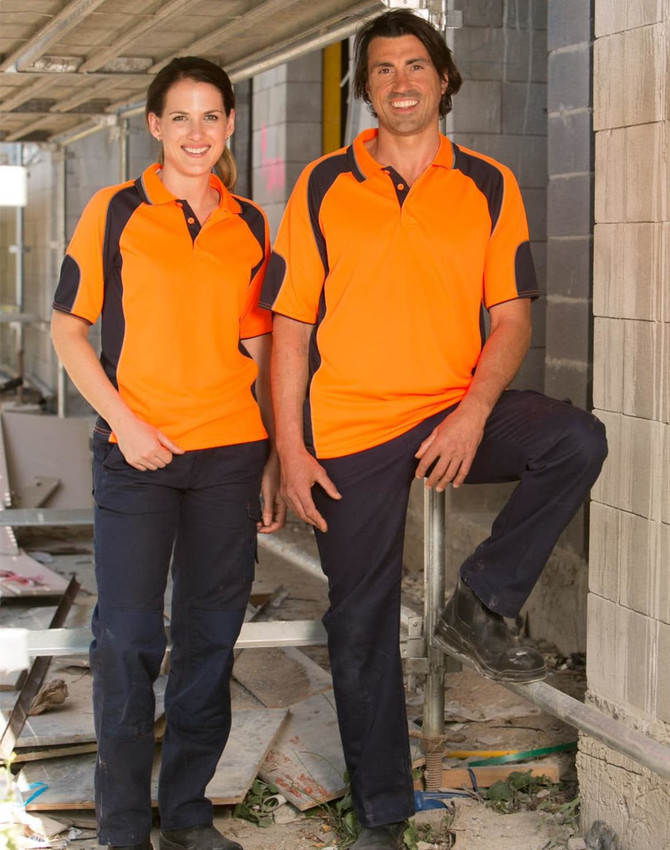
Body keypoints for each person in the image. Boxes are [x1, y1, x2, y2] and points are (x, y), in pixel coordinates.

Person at [261, 10, 607, 850]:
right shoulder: (320, 184)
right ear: (366, 89)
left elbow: (511, 319)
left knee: (575, 439)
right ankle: (381, 810)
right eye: (382, 70)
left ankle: (481, 602)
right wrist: (290, 448)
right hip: (350, 427)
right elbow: (292, 328)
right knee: (362, 616)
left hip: (457, 410)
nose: (402, 81)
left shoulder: (487, 182)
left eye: (417, 65)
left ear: (445, 80)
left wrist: (473, 411)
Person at [51, 57, 285, 850]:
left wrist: (274, 455)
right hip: (136, 454)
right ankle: (122, 830)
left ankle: (186, 814)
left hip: (227, 456)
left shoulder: (250, 222)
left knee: (210, 638)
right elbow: (68, 330)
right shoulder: (113, 211)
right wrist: (126, 423)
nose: (196, 133)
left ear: (230, 126)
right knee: (125, 640)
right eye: (179, 117)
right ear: (154, 125)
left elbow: (261, 346)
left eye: (211, 116)